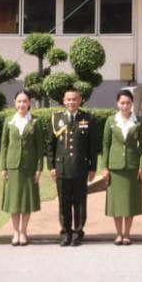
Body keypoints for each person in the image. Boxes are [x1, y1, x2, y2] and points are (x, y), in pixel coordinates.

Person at [50, 87, 99, 246]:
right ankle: (65, 232)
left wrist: (93, 167)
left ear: (80, 101)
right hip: (62, 167)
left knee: (80, 202)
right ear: (64, 101)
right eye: (68, 99)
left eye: (74, 99)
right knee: (63, 202)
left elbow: (93, 146)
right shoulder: (56, 118)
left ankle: (78, 232)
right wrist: (51, 166)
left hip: (80, 167)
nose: (71, 102)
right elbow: (51, 146)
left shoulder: (87, 118)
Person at [0, 89, 47, 246]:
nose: (22, 104)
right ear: (15, 103)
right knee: (14, 201)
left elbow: (40, 147)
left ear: (29, 103)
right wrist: (3, 167)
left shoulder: (35, 121)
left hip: (29, 166)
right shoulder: (9, 121)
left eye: (25, 101)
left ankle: (24, 231)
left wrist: (39, 168)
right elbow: (4, 145)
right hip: (12, 166)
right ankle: (15, 232)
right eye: (19, 101)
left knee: (26, 201)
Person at [102, 89, 142, 245]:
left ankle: (127, 233)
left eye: (128, 103)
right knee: (116, 203)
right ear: (117, 104)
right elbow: (105, 145)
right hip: (115, 168)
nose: (125, 106)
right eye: (122, 103)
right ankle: (118, 233)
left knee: (129, 202)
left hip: (132, 167)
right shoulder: (110, 121)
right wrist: (104, 167)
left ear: (132, 103)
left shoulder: (139, 121)